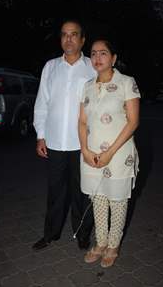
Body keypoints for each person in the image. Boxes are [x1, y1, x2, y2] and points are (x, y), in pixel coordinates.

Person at [32, 19, 95, 251]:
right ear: (61, 39)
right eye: (64, 35)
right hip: (56, 142)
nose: (68, 39)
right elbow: (42, 103)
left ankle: (82, 234)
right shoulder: (50, 67)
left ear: (82, 40)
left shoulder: (92, 67)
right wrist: (41, 135)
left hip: (83, 143)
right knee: (55, 192)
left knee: (82, 192)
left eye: (73, 34)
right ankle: (51, 234)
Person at [78, 39, 141, 267]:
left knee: (117, 201)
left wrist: (110, 153)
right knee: (98, 199)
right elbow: (82, 122)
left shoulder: (126, 82)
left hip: (119, 154)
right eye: (93, 53)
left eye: (103, 53)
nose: (97, 58)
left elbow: (133, 122)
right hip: (92, 154)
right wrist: (85, 150)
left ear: (113, 58)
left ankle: (113, 245)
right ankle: (100, 242)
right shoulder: (87, 85)